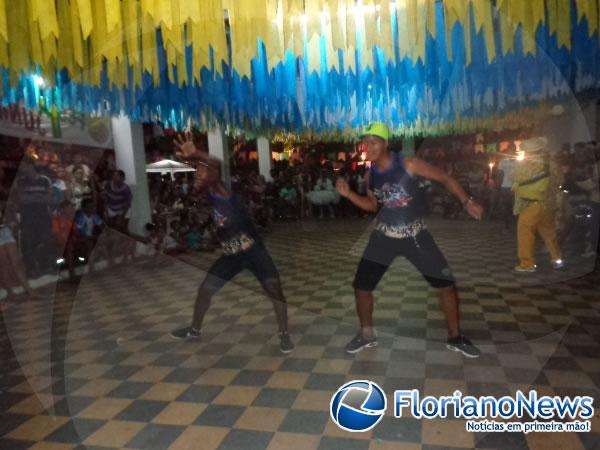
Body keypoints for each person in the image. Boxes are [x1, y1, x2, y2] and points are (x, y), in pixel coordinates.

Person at [335, 123, 484, 357]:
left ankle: (455, 337)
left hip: (415, 236)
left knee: (445, 285)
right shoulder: (371, 173)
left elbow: (445, 178)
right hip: (384, 237)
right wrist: (350, 195)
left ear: (385, 143)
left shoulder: (408, 164)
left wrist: (467, 202)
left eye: (374, 142)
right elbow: (373, 206)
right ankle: (366, 335)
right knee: (361, 287)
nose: (368, 147)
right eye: (366, 142)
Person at [169, 134, 294, 354]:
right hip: (231, 256)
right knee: (205, 290)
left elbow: (216, 163)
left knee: (274, 290)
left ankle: (284, 334)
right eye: (196, 171)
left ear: (212, 175)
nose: (197, 174)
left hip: (253, 251)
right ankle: (194, 329)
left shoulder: (221, 191)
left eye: (201, 171)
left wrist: (196, 153)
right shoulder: (208, 196)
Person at [512, 137, 563, 272]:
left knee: (525, 233)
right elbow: (559, 180)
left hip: (531, 205)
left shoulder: (526, 165)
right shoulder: (551, 164)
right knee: (549, 233)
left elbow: (514, 180)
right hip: (547, 204)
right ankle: (557, 259)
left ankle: (527, 264)